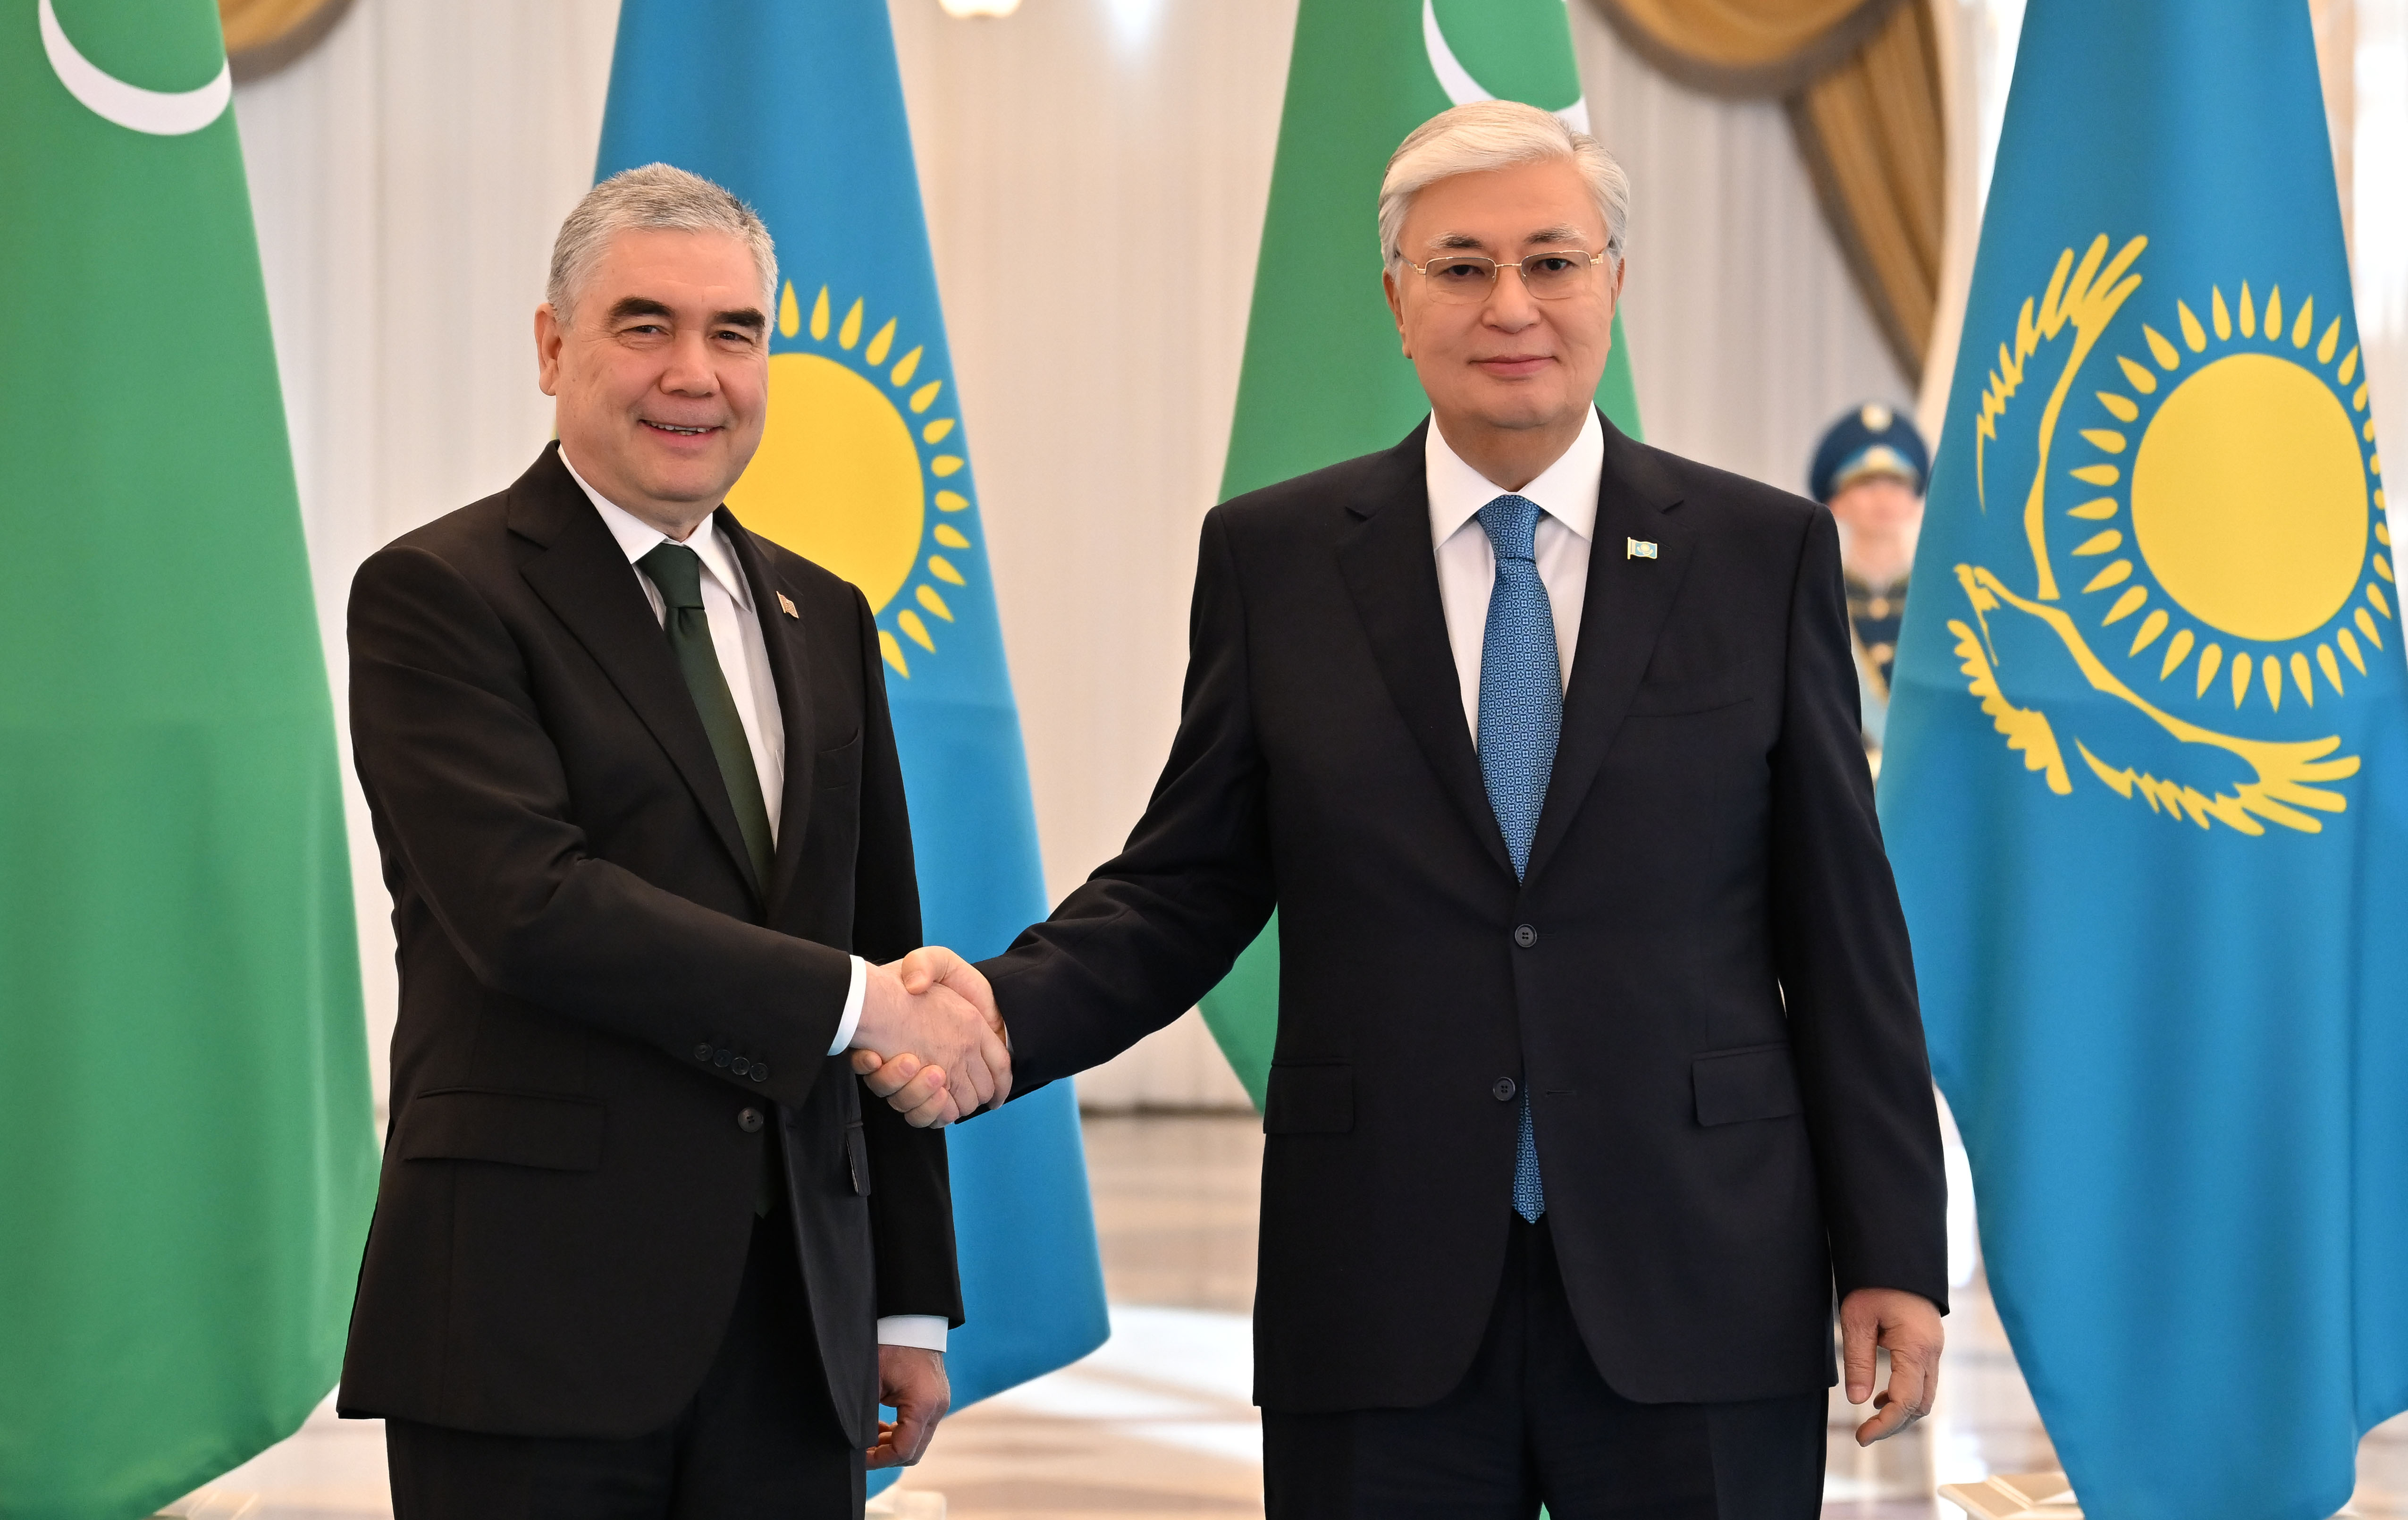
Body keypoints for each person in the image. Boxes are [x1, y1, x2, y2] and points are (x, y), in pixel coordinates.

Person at [868, 103, 1948, 1518]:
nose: (1509, 304)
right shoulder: (1274, 559)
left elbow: (1842, 933)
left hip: (1698, 1272)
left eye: (1550, 262)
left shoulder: (1760, 555)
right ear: (1394, 301)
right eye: (1459, 267)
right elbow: (1185, 884)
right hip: (1376, 1284)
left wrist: (1892, 1245)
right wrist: (999, 1017)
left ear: (1613, 282)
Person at [338, 164, 1009, 1517]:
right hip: (529, 1324)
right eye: (644, 325)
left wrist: (906, 1298)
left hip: (795, 1331)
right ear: (552, 347)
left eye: (733, 332)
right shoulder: (436, 595)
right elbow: (531, 909)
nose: (692, 374)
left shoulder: (826, 615)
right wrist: (862, 1000)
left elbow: (883, 939)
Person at [1808, 403, 1929, 769]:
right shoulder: (1813, 598)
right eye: (1864, 483)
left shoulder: (1942, 600)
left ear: (1916, 499)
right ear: (1836, 502)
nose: (1883, 497)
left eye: (1897, 483)